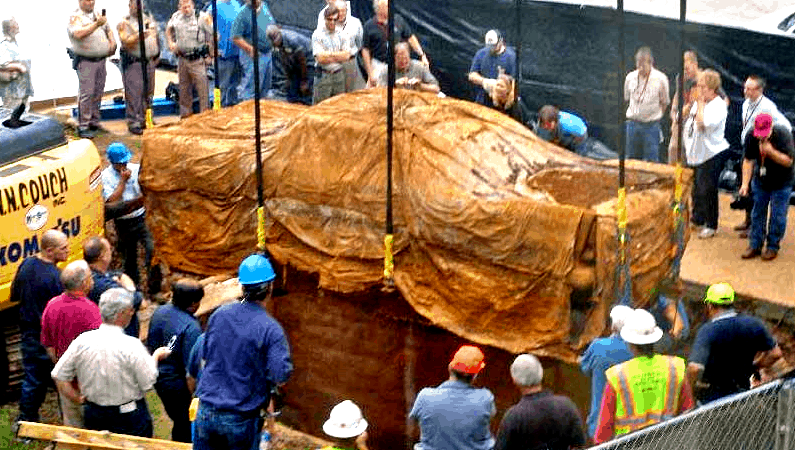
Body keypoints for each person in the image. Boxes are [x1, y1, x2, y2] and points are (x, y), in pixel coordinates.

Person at [193, 253, 293, 450]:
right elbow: (280, 376)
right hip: (239, 419)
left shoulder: (219, 315)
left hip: (205, 411)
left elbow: (205, 357)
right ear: (270, 288)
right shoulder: (270, 329)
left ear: (242, 286)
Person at [51, 288, 171, 437]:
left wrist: (77, 399)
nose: (132, 313)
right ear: (121, 314)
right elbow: (148, 382)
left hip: (94, 413)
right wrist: (156, 356)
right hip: (128, 417)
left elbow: (59, 375)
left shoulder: (82, 341)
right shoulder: (132, 345)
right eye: (130, 310)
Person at [594, 308, 694, 443]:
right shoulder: (675, 367)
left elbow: (603, 433)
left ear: (630, 343)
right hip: (669, 443)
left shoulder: (617, 377)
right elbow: (689, 414)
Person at [687, 283, 783, 404]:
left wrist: (689, 392)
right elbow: (775, 353)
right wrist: (754, 366)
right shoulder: (753, 324)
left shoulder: (708, 330)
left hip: (710, 401)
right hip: (741, 397)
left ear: (709, 305)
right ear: (732, 303)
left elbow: (694, 368)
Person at [11, 229, 68, 423]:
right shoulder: (56, 277)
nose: (67, 251)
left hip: (28, 333)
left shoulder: (26, 265)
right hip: (49, 337)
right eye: (63, 248)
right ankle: (69, 421)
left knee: (32, 381)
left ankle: (26, 422)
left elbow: (15, 294)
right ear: (49, 250)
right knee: (63, 379)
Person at [40, 260, 101, 428]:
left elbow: (49, 346)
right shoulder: (91, 311)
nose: (93, 281)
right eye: (90, 277)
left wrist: (63, 370)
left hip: (65, 384)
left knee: (73, 430)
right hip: (88, 385)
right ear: (84, 283)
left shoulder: (51, 306)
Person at [734, 75, 792, 237]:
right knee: (745, 185)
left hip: (763, 149)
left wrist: (772, 144)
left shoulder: (767, 107)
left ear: (760, 90)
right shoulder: (746, 104)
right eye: (745, 87)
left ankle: (755, 227)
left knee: (758, 188)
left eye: (750, 89)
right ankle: (748, 221)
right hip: (749, 147)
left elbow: (784, 126)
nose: (746, 91)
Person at [147, 279, 203, 443]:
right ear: (193, 303)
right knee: (185, 425)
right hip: (176, 385)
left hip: (157, 376)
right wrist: (194, 397)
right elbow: (190, 372)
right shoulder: (191, 327)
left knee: (178, 421)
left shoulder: (159, 312)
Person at [409, 345, 495, 450]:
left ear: (450, 367)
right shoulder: (485, 398)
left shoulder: (424, 397)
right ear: (475, 375)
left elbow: (415, 419)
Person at [495, 354, 586, 450]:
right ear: (541, 373)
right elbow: (579, 444)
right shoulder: (567, 406)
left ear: (514, 380)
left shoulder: (513, 417)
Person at [101, 142, 155, 295]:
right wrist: (123, 182)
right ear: (113, 163)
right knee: (129, 257)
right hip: (123, 222)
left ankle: (153, 287)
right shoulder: (107, 177)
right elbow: (111, 201)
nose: (124, 165)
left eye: (125, 161)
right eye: (120, 163)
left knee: (152, 249)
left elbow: (146, 187)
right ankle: (133, 288)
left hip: (142, 218)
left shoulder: (136, 169)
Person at [739, 113, 794, 261]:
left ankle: (772, 246)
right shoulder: (751, 136)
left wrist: (771, 152)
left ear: (771, 128)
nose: (761, 137)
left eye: (764, 134)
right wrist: (745, 184)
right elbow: (748, 161)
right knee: (757, 212)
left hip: (782, 182)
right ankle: (755, 244)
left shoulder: (783, 135)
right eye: (759, 134)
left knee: (778, 215)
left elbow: (788, 161)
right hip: (761, 180)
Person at [683, 69, 730, 239]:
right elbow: (688, 119)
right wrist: (691, 105)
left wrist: (700, 105)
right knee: (697, 187)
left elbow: (702, 124)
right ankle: (698, 218)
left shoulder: (718, 106)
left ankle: (711, 224)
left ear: (711, 88)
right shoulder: (699, 102)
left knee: (708, 188)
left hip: (712, 154)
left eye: (702, 86)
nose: (699, 89)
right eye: (699, 86)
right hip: (697, 153)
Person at [579, 305, 634, 440]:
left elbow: (584, 368)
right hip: (631, 426)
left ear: (613, 326)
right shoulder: (636, 351)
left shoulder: (598, 346)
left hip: (599, 425)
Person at [67, 0, 118, 138]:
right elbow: (77, 34)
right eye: (87, 0)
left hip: (101, 59)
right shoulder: (75, 16)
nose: (91, 2)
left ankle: (94, 122)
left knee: (98, 92)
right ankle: (83, 125)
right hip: (86, 61)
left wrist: (112, 43)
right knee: (87, 94)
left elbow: (108, 29)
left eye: (92, 0)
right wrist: (96, 24)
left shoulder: (98, 15)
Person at [84, 236, 145, 338]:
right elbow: (141, 303)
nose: (111, 253)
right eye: (109, 250)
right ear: (102, 256)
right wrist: (129, 288)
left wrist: (121, 279)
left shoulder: (93, 273)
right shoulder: (102, 285)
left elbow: (117, 274)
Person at [362, 0, 429, 88]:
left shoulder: (398, 19)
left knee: (399, 90)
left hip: (397, 65)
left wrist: (422, 55)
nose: (389, 8)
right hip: (379, 64)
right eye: (386, 6)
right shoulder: (369, 26)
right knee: (374, 92)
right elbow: (365, 50)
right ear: (378, 9)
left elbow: (410, 38)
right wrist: (370, 73)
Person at [117, 0, 159, 136]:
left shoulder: (149, 19)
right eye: (135, 3)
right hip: (134, 62)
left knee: (149, 92)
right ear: (130, 5)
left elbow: (155, 37)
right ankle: (134, 122)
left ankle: (146, 118)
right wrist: (138, 36)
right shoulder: (125, 22)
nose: (138, 6)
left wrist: (157, 53)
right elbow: (125, 41)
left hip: (149, 62)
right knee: (135, 93)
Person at [166, 0, 212, 118]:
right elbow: (168, 29)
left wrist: (210, 54)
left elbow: (213, 35)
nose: (186, 9)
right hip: (182, 60)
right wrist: (171, 42)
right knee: (184, 90)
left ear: (193, 5)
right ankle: (186, 116)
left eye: (188, 6)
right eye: (183, 7)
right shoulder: (176, 17)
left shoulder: (202, 17)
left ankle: (205, 117)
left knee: (203, 91)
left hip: (197, 60)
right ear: (179, 7)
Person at [624, 46, 669, 163]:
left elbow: (664, 102)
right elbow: (627, 98)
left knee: (652, 159)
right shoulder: (630, 77)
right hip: (632, 123)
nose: (640, 68)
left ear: (651, 62)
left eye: (643, 64)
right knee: (631, 158)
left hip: (651, 125)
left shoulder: (661, 79)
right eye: (638, 64)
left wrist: (655, 116)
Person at [232, 0, 275, 101]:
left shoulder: (264, 6)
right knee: (251, 88)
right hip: (254, 56)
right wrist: (250, 48)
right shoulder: (242, 14)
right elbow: (235, 37)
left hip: (267, 53)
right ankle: (248, 113)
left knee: (265, 87)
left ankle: (263, 111)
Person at [468, 29, 516, 108]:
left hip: (502, 101)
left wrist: (501, 84)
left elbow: (514, 80)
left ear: (501, 41)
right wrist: (485, 82)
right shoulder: (481, 54)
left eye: (494, 46)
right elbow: (472, 75)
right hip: (483, 100)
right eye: (489, 46)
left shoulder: (511, 57)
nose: (492, 48)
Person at [312, 5, 349, 104]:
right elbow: (320, 58)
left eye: (335, 20)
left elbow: (346, 56)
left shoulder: (343, 34)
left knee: (338, 106)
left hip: (339, 75)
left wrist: (328, 54)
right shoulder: (317, 34)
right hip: (324, 75)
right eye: (329, 19)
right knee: (320, 107)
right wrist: (338, 56)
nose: (332, 22)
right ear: (325, 19)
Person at [266, 24, 312, 104]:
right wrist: (289, 78)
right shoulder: (274, 45)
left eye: (275, 38)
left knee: (306, 87)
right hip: (294, 61)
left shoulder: (292, 39)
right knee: (292, 87)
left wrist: (304, 81)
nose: (275, 42)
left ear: (279, 33)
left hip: (309, 58)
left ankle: (308, 103)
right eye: (272, 40)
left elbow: (302, 60)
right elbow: (284, 60)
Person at [213, 0, 243, 107]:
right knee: (221, 87)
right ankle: (217, 110)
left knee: (235, 86)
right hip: (223, 56)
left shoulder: (236, 4)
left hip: (237, 54)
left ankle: (231, 111)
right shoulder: (215, 6)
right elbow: (205, 21)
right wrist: (212, 46)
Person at [0, 17, 33, 110]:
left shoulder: (16, 43)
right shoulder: (4, 44)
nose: (18, 25)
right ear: (10, 27)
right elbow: (4, 64)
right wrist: (20, 67)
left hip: (22, 88)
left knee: (24, 114)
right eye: (15, 23)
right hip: (12, 90)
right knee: (13, 115)